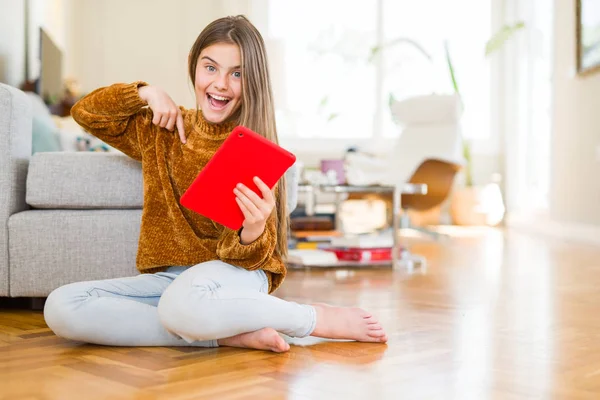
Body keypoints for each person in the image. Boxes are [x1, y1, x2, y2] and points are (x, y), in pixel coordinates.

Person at [43, 15, 388, 353]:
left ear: (252, 81)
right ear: (193, 67)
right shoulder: (160, 131)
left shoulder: (256, 149)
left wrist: (252, 228)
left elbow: (257, 261)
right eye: (210, 68)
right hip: (171, 281)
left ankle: (312, 318)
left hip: (234, 277)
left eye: (236, 74)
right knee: (62, 306)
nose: (221, 83)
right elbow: (85, 112)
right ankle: (223, 335)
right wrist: (145, 93)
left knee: (180, 305)